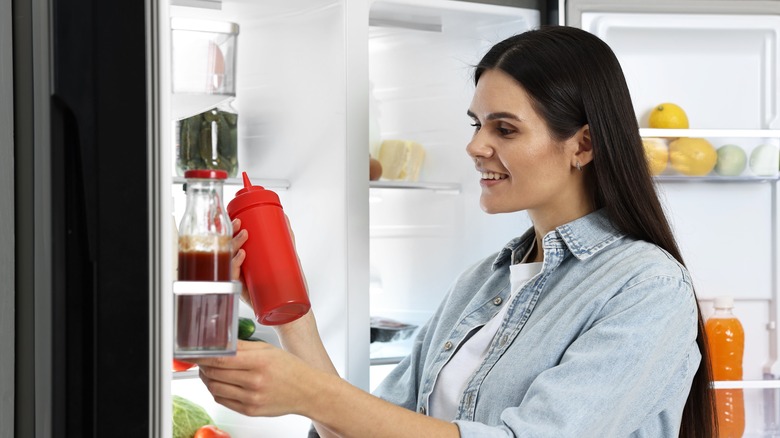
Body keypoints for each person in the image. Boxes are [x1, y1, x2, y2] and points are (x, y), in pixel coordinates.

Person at [190, 25, 716, 437]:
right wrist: (291, 312)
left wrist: (310, 394)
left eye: (504, 128)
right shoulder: (481, 285)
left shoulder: (646, 288)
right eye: (476, 124)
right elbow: (363, 430)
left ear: (582, 145)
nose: (475, 147)